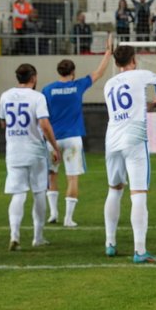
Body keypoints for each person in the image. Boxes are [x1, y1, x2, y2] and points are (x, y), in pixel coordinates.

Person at [102, 45, 156, 262]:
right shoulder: (140, 75)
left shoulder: (109, 84)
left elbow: (127, 106)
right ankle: (140, 250)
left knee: (114, 190)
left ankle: (110, 243)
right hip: (134, 137)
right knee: (138, 193)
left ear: (116, 63)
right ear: (133, 60)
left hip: (112, 137)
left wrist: (150, 105)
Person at [43, 49, 112, 227]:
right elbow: (99, 72)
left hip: (53, 139)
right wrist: (107, 53)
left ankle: (53, 214)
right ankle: (68, 218)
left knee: (51, 175)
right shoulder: (78, 86)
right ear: (73, 72)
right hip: (73, 139)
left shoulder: (48, 90)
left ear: (59, 72)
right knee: (72, 178)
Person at [0, 63, 61, 251]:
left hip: (13, 151)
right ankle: (38, 236)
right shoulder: (38, 97)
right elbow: (44, 124)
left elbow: (3, 123)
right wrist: (55, 147)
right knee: (38, 192)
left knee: (18, 194)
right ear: (33, 78)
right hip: (34, 151)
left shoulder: (5, 96)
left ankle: (14, 235)